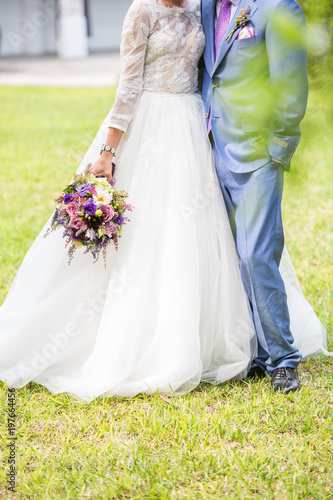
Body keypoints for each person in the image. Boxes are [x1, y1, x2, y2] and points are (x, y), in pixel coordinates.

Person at [0, 0, 329, 403]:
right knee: (169, 238)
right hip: (170, 133)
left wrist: (276, 146)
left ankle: (265, 352)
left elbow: (261, 77)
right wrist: (108, 150)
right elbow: (128, 84)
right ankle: (176, 343)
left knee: (236, 247)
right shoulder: (156, 11)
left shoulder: (235, 7)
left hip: (218, 139)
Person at [200, 0, 331, 391]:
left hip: (258, 152)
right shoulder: (207, 5)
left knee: (258, 255)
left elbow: (290, 83)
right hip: (207, 147)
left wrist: (278, 147)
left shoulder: (278, 8)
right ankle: (254, 351)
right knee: (230, 254)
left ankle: (283, 358)